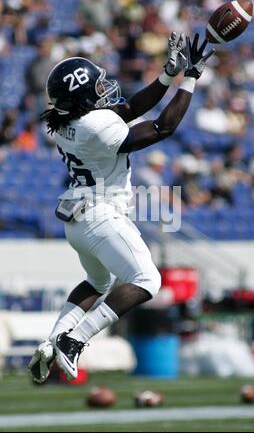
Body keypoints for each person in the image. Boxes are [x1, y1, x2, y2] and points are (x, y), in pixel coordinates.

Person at [28, 32, 214, 383]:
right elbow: (162, 126)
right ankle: (74, 341)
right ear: (83, 98)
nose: (104, 89)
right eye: (96, 88)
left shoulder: (67, 124)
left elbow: (128, 110)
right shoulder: (95, 128)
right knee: (147, 280)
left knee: (98, 283)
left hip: (78, 219)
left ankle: (53, 341)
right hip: (100, 214)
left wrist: (165, 76)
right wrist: (189, 77)